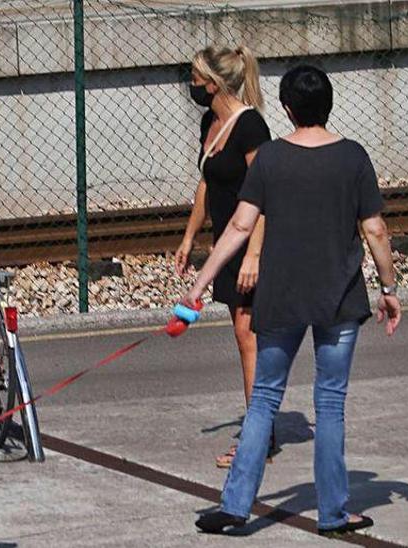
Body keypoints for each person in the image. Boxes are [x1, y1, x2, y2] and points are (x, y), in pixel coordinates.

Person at [185, 65, 401, 536]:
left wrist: (203, 280)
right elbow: (375, 230)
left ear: (286, 109)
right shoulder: (353, 158)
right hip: (339, 297)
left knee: (263, 399)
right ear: (330, 104)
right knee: (330, 403)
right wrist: (388, 289)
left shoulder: (271, 160)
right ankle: (333, 513)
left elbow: (240, 226)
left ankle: (235, 506)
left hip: (280, 296)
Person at [174, 45, 273, 468]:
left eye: (196, 78)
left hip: (250, 246)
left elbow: (266, 194)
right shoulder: (209, 122)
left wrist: (254, 254)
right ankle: (260, 429)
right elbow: (206, 184)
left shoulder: (250, 127)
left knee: (248, 339)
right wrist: (188, 237)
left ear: (213, 83)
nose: (191, 85)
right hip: (225, 246)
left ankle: (256, 441)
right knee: (246, 339)